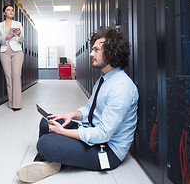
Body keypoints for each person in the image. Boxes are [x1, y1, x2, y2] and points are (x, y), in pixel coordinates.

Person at [16, 26, 139, 183]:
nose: (91, 54)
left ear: (111, 52)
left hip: (106, 150)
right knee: (46, 122)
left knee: (45, 142)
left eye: (96, 50)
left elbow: (103, 134)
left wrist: (63, 132)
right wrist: (69, 115)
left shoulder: (121, 87)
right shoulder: (105, 79)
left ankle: (50, 158)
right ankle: (52, 160)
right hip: (93, 133)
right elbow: (90, 109)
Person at [0, 5, 24, 111]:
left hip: (17, 51)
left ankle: (17, 104)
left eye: (12, 10)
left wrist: (19, 34)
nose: (11, 12)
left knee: (16, 75)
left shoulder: (18, 24)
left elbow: (22, 39)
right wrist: (5, 38)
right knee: (8, 76)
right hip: (4, 51)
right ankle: (11, 103)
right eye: (8, 10)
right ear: (4, 13)